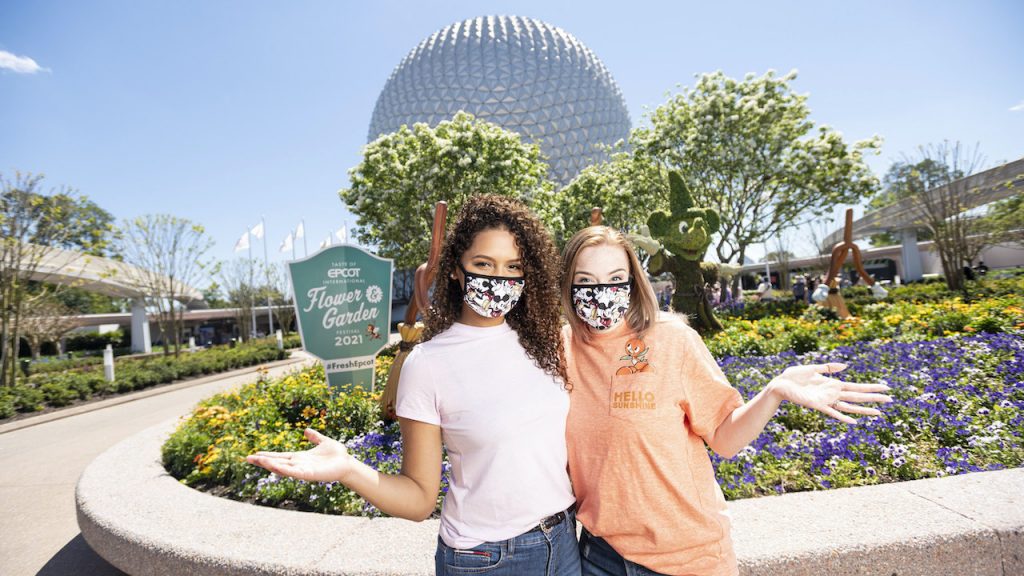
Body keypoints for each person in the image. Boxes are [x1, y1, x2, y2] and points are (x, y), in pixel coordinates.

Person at [247, 195, 580, 576]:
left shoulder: (544, 343)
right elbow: (420, 499)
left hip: (563, 540)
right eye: (483, 264)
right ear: (456, 270)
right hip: (488, 558)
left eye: (513, 267)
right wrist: (348, 469)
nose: (498, 279)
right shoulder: (429, 363)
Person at [559, 226, 892, 576]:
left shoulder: (672, 340)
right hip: (600, 557)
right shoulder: (559, 350)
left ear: (633, 281)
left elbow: (724, 437)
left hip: (689, 559)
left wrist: (774, 391)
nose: (601, 292)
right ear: (569, 285)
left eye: (615, 278)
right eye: (586, 279)